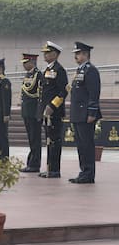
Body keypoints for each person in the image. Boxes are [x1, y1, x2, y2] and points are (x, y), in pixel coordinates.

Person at [69, 41, 101, 184]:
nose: (76, 56)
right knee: (81, 145)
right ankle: (84, 172)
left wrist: (92, 112)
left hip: (86, 114)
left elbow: (93, 93)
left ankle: (88, 173)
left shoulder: (90, 70)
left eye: (78, 54)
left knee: (87, 144)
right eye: (75, 54)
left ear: (85, 54)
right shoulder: (80, 71)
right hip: (78, 113)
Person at [38, 41, 68, 178]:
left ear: (55, 54)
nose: (45, 55)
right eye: (44, 52)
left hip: (54, 112)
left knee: (54, 141)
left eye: (48, 53)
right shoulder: (48, 70)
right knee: (49, 140)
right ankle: (50, 168)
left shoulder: (59, 70)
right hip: (46, 112)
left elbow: (63, 92)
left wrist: (52, 106)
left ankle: (55, 170)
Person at [19, 53, 43, 172]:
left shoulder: (38, 75)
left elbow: (40, 95)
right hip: (27, 111)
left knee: (35, 138)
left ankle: (35, 164)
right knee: (31, 138)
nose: (24, 65)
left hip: (34, 112)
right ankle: (31, 162)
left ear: (32, 62)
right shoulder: (28, 75)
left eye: (25, 62)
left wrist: (39, 112)